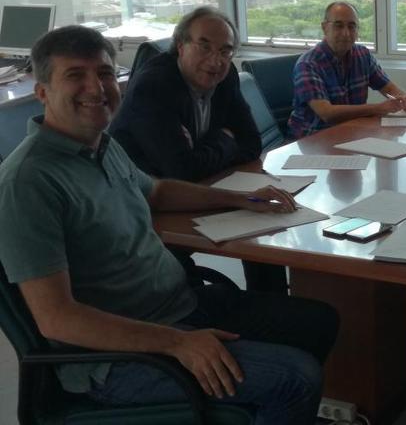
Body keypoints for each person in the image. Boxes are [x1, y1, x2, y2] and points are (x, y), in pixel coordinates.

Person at [0, 25, 338, 425]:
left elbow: (156, 192)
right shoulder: (27, 183)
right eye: (75, 75)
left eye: (105, 74)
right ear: (42, 92)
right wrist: (178, 343)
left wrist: (237, 197)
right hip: (116, 359)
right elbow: (57, 318)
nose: (96, 87)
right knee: (293, 379)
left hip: (177, 306)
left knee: (318, 322)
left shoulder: (100, 145)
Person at [110, 6, 286, 293]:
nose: (215, 61)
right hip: (145, 206)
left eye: (225, 51)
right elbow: (182, 170)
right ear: (180, 46)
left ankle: (274, 310)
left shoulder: (225, 76)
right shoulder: (154, 86)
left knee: (261, 219)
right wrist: (226, 139)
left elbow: (252, 144)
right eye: (204, 47)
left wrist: (204, 150)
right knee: (253, 214)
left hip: (196, 187)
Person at [288, 1, 406, 139]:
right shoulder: (308, 64)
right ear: (324, 27)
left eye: (352, 26)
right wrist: (379, 108)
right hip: (312, 140)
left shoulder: (362, 55)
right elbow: (327, 113)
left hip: (351, 134)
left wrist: (405, 99)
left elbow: (388, 88)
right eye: (339, 26)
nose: (346, 33)